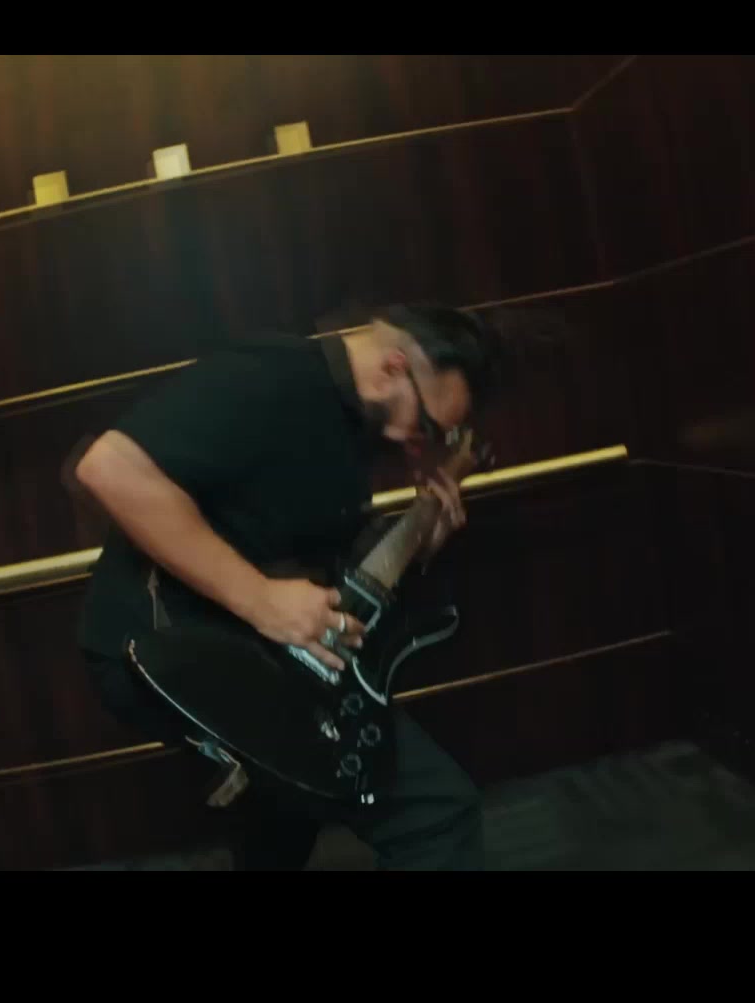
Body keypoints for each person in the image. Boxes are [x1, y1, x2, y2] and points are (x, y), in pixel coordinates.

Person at [68, 302, 504, 870]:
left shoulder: (351, 421)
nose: (416, 443)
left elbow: (310, 557)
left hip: (241, 644)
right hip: (162, 646)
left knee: (284, 810)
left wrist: (419, 535)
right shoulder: (272, 376)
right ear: (394, 367)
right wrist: (260, 599)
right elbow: (109, 468)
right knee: (437, 813)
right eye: (425, 425)